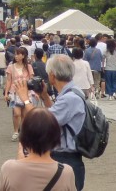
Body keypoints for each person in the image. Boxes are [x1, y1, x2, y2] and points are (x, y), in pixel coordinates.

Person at [0, 108, 76, 191]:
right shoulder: (66, 172)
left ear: (24, 136)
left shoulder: (9, 168)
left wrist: (18, 163)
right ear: (55, 136)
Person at [40, 54, 86, 191]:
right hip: (68, 159)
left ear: (52, 76)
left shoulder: (69, 98)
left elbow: (42, 123)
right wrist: (45, 97)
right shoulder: (73, 91)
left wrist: (25, 99)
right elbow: (57, 114)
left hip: (65, 158)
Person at [5, 47, 34, 141]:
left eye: (18, 54)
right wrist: (6, 93)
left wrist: (34, 92)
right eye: (15, 54)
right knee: (16, 113)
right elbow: (9, 80)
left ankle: (24, 132)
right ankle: (16, 131)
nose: (16, 56)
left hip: (26, 92)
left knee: (25, 114)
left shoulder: (28, 67)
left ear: (23, 55)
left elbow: (31, 80)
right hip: (15, 93)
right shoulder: (11, 66)